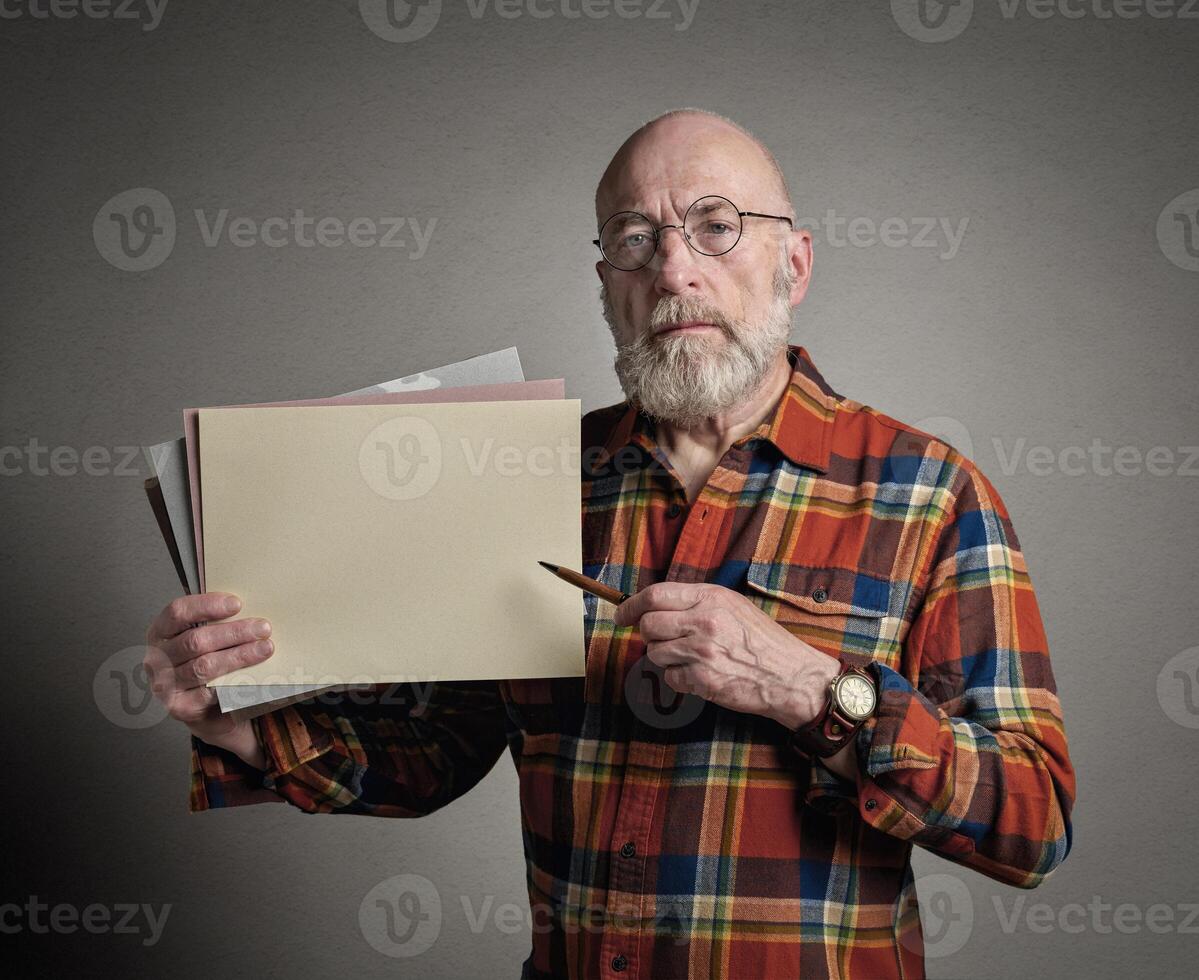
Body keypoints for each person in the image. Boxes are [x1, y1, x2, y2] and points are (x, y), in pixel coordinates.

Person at [145, 108, 1076, 978]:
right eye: (636, 240)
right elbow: (434, 749)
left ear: (793, 265)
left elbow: (1028, 823)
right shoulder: (522, 479)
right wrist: (234, 721)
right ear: (607, 286)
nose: (674, 271)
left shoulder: (928, 494)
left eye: (716, 226)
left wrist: (803, 689)